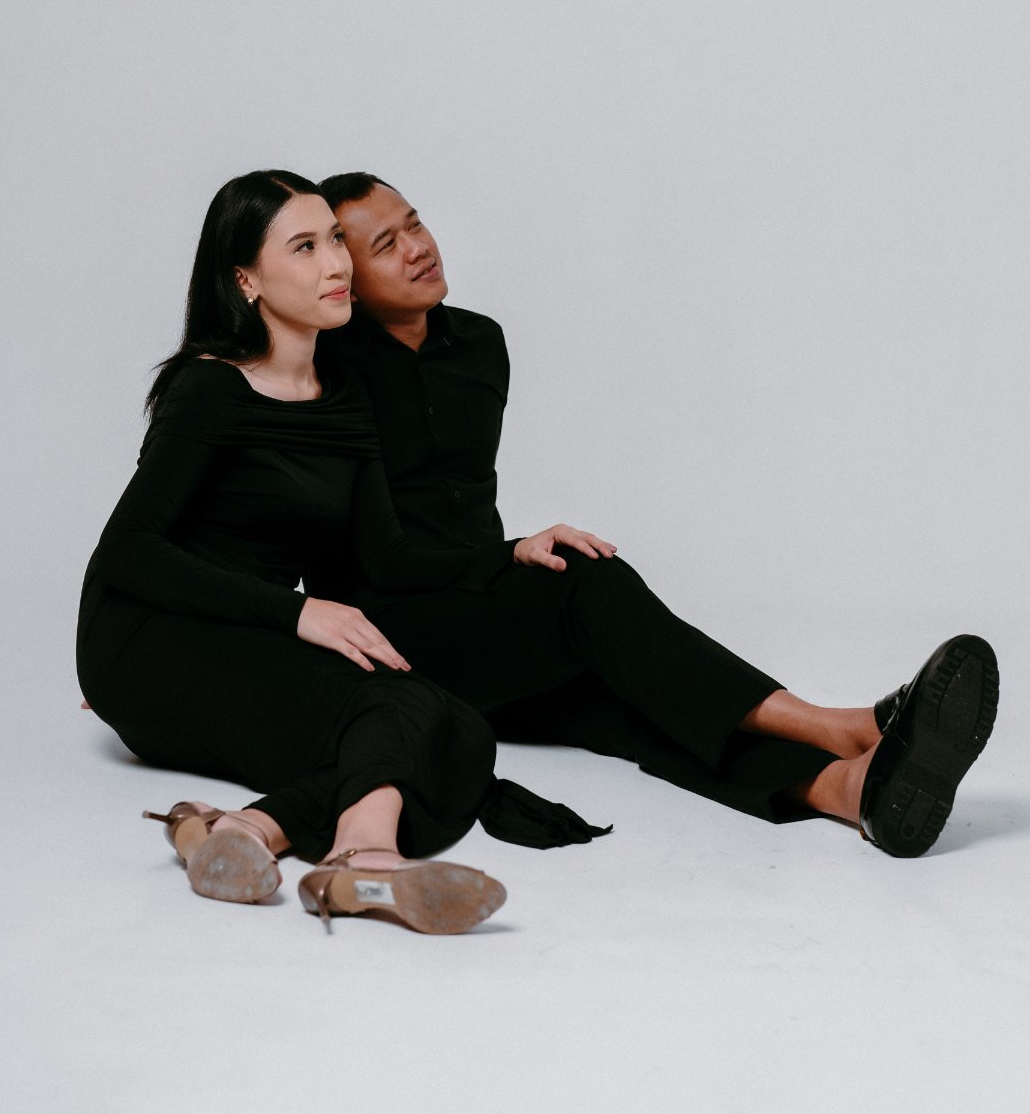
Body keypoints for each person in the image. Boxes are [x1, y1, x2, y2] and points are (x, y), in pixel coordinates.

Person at [314, 172, 1000, 858]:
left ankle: (845, 789)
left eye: (414, 222)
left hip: (490, 619)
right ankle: (840, 727)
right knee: (584, 577)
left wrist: (504, 571)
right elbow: (376, 556)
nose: (417, 248)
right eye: (385, 245)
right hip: (394, 638)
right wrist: (511, 557)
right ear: (349, 280)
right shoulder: (329, 374)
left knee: (638, 697)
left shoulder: (479, 343)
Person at [76, 169, 605, 937]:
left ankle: (247, 832)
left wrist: (512, 552)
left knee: (455, 724)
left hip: (250, 638)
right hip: (149, 639)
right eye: (304, 247)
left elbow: (389, 560)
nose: (336, 264)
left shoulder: (345, 396)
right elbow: (129, 553)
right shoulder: (210, 391)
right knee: (395, 708)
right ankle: (359, 854)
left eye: (334, 240)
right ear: (246, 280)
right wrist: (298, 614)